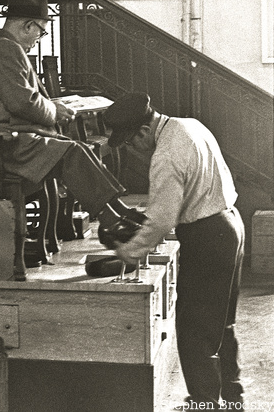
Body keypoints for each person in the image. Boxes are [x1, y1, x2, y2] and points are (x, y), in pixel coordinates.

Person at [104, 92, 245, 409]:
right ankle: (234, 399)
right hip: (231, 223)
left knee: (194, 329)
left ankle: (204, 403)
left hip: (207, 235)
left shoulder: (165, 155)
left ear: (142, 132)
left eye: (129, 143)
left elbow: (163, 219)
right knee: (221, 323)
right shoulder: (188, 125)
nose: (131, 150)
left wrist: (130, 251)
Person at [0, 0, 142, 236]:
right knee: (71, 153)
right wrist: (54, 111)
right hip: (0, 145)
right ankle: (111, 220)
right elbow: (22, 103)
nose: (40, 37)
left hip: (13, 139)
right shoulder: (5, 50)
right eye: (41, 30)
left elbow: (22, 101)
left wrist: (53, 108)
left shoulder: (6, 48)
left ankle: (117, 210)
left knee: (76, 148)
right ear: (28, 25)